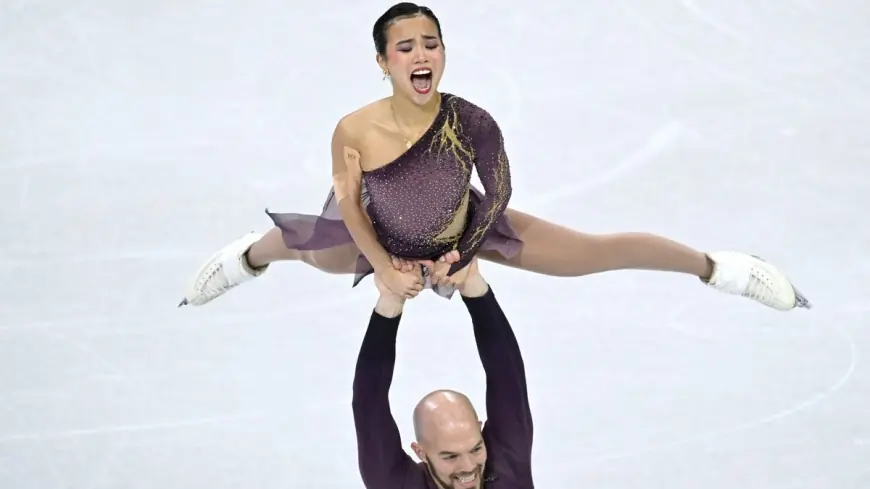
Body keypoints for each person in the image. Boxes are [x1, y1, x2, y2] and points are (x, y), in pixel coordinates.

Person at [178, 2, 810, 312]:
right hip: (368, 231)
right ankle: (246, 256)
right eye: (405, 47)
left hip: (463, 229)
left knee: (592, 254)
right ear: (383, 61)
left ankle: (720, 267)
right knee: (306, 249)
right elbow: (348, 202)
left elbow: (500, 192)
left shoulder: (472, 121)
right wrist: (388, 268)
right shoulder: (354, 128)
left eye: (431, 43)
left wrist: (464, 251)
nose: (421, 55)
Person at [352, 258, 533, 488]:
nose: (468, 466)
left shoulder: (505, 463)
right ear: (421, 452)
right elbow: (369, 404)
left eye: (476, 449)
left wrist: (472, 283)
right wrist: (391, 300)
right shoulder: (397, 484)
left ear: (480, 432)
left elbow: (508, 379)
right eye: (450, 456)